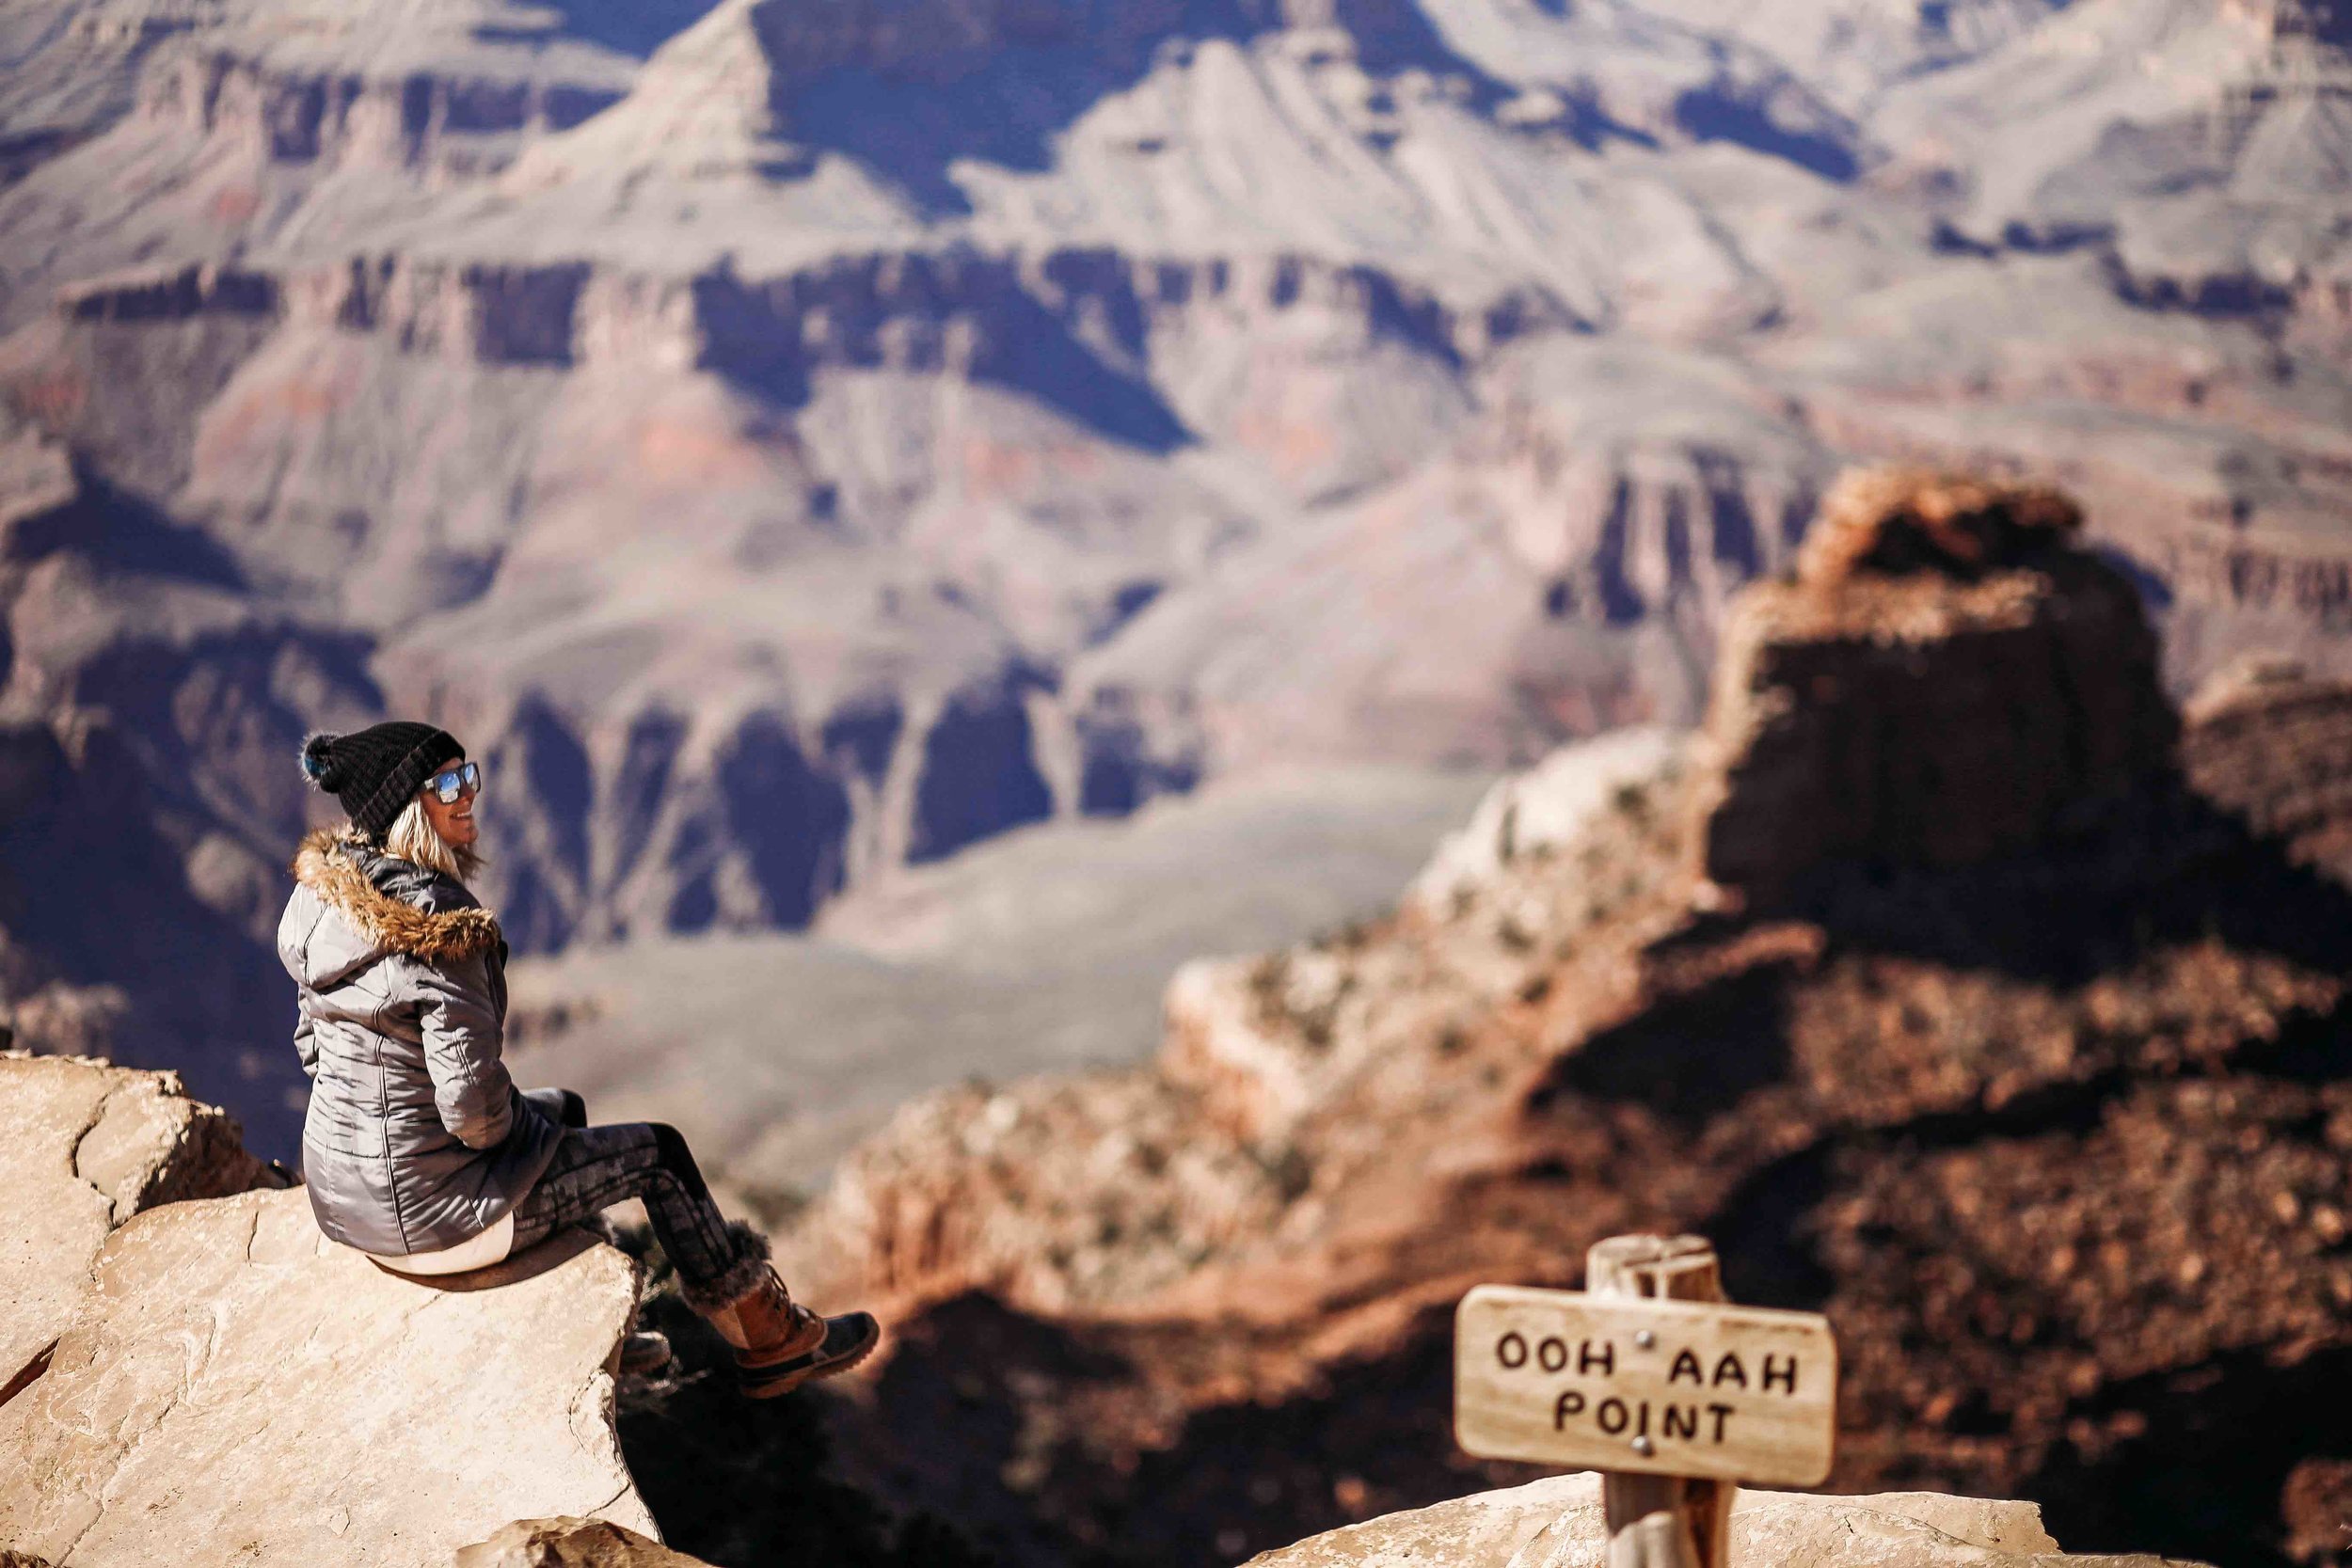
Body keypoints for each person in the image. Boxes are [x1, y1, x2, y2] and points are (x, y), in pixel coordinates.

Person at [278, 720, 878, 1397]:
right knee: (660, 1156)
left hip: (341, 1197)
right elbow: (473, 1114)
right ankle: (774, 1342)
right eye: (448, 782)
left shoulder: (320, 904)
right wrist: (507, 1142)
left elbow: (312, 1051)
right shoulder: (443, 933)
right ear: (407, 808)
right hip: (426, 1219)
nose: (469, 792)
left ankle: (609, 1334)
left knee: (563, 1109)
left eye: (469, 774)